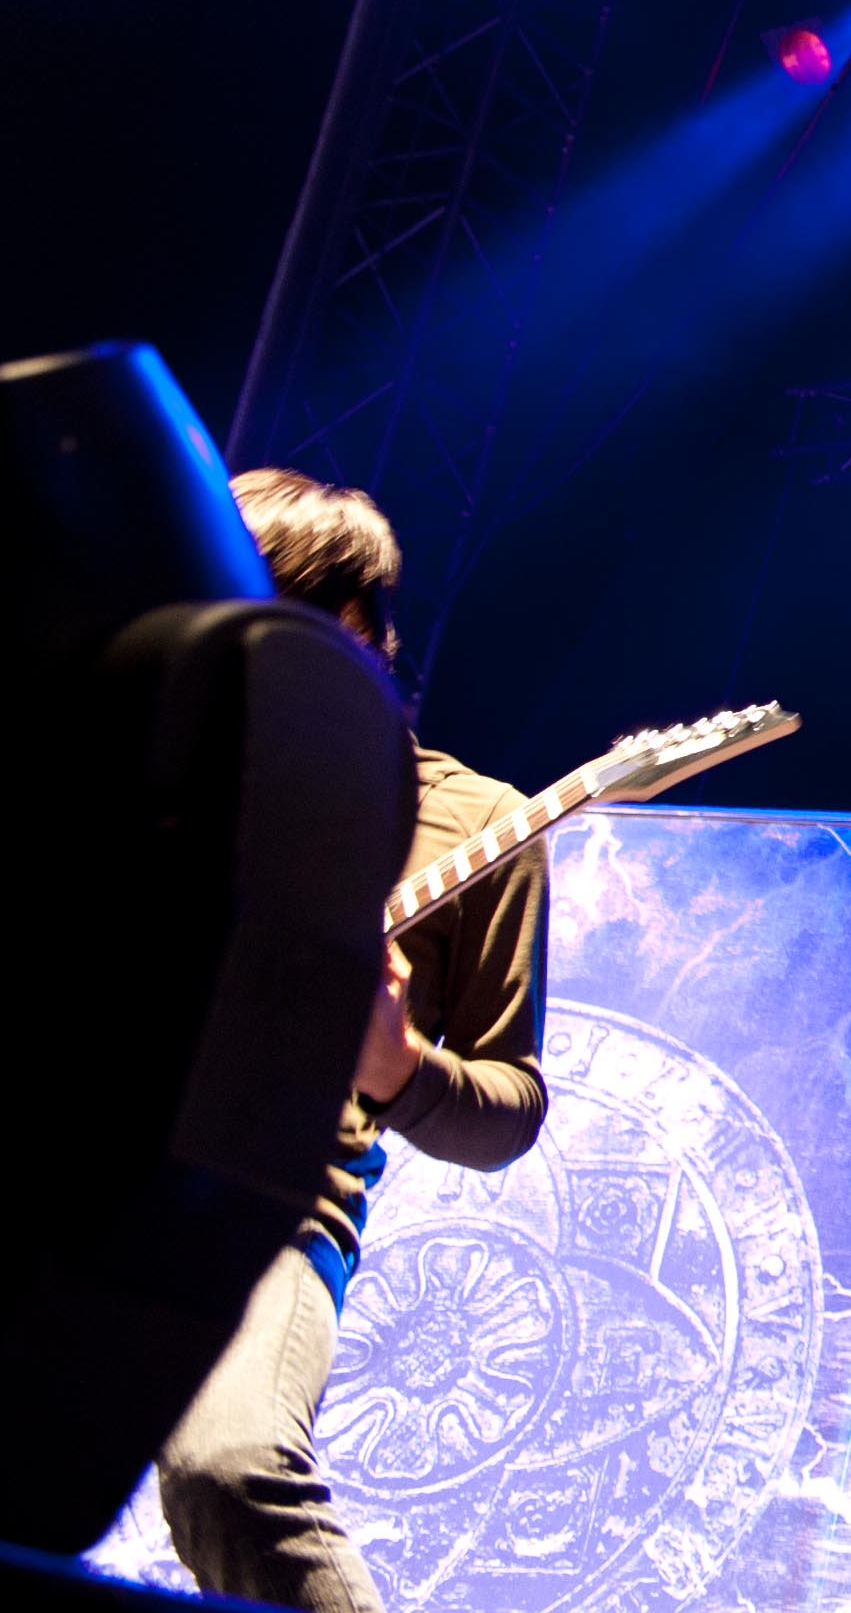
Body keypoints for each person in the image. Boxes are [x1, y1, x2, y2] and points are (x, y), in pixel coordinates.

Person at [152, 471, 550, 1613]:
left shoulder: (476, 824)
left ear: (359, 639)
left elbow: (510, 1108)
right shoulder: (158, 767)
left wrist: (396, 1065)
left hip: (264, 1204)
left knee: (230, 1466)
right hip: (91, 1169)